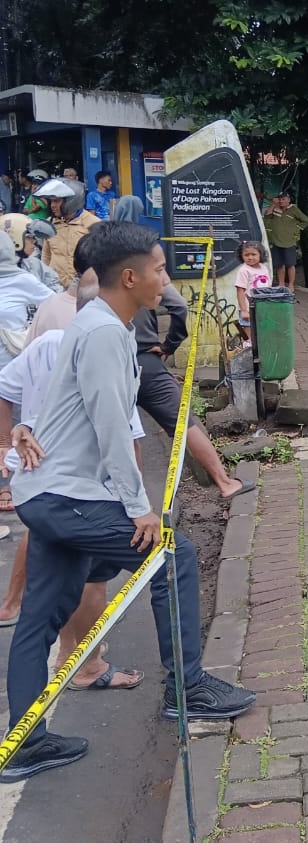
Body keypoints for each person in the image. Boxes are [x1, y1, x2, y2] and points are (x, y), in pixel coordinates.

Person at [1, 221, 256, 782]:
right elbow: (112, 425)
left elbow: (64, 408)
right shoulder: (102, 333)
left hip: (53, 497)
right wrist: (140, 507)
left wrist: (21, 430)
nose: (166, 278)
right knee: (174, 555)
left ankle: (25, 743)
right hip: (66, 497)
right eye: (160, 269)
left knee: (41, 618)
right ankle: (188, 689)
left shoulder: (104, 325)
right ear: (130, 276)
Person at [0, 271, 148, 699]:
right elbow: (123, 435)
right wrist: (137, 505)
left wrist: (19, 429)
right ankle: (87, 662)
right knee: (153, 564)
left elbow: (18, 392)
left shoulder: (52, 342)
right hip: (80, 495)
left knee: (41, 607)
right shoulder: (105, 347)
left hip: (41, 491)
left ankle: (31, 733)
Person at [98, 210, 254, 500]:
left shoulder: (94, 279)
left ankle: (131, 499)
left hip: (109, 361)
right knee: (183, 421)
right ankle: (223, 482)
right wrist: (169, 345)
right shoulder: (144, 266)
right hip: (145, 359)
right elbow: (179, 307)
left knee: (120, 429)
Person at [0, 230, 55, 369]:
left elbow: (56, 304)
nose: (34, 243)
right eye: (29, 239)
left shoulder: (22, 279)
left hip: (10, 366)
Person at [41, 179, 100, 287]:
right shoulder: (49, 224)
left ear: (72, 201)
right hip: (55, 287)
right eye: (51, 201)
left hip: (82, 287)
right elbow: (46, 255)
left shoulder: (93, 224)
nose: (52, 205)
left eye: (57, 201)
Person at [2, 213, 63, 293]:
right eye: (29, 237)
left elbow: (53, 283)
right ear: (14, 239)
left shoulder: (33, 263)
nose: (34, 241)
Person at [263, 191, 308, 292]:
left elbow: (306, 220)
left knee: (290, 264)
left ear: (288, 200)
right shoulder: (276, 208)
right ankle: (281, 284)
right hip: (276, 241)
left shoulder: (294, 209)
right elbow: (266, 216)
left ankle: (291, 285)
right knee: (279, 264)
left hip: (289, 242)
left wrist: (296, 229)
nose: (281, 201)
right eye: (280, 199)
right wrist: (273, 204)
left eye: (283, 199)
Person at [233, 241, 271, 342]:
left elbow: (268, 288)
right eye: (246, 255)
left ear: (261, 255)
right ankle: (248, 354)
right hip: (249, 308)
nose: (250, 257)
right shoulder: (244, 270)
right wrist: (244, 310)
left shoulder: (264, 268)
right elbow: (240, 291)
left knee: (262, 333)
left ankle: (260, 355)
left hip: (262, 308)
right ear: (242, 256)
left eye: (253, 254)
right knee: (249, 337)